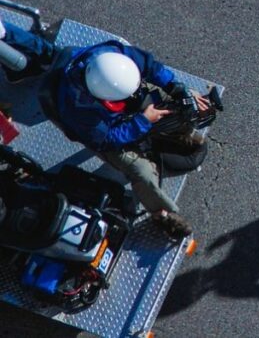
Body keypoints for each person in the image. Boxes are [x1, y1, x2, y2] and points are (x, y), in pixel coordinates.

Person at [0, 19, 206, 238]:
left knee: (180, 105)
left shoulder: (114, 58)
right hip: (107, 132)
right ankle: (162, 213)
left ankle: (176, 134)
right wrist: (143, 121)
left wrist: (176, 88)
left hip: (124, 109)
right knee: (142, 172)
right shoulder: (77, 108)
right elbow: (107, 139)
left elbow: (149, 65)